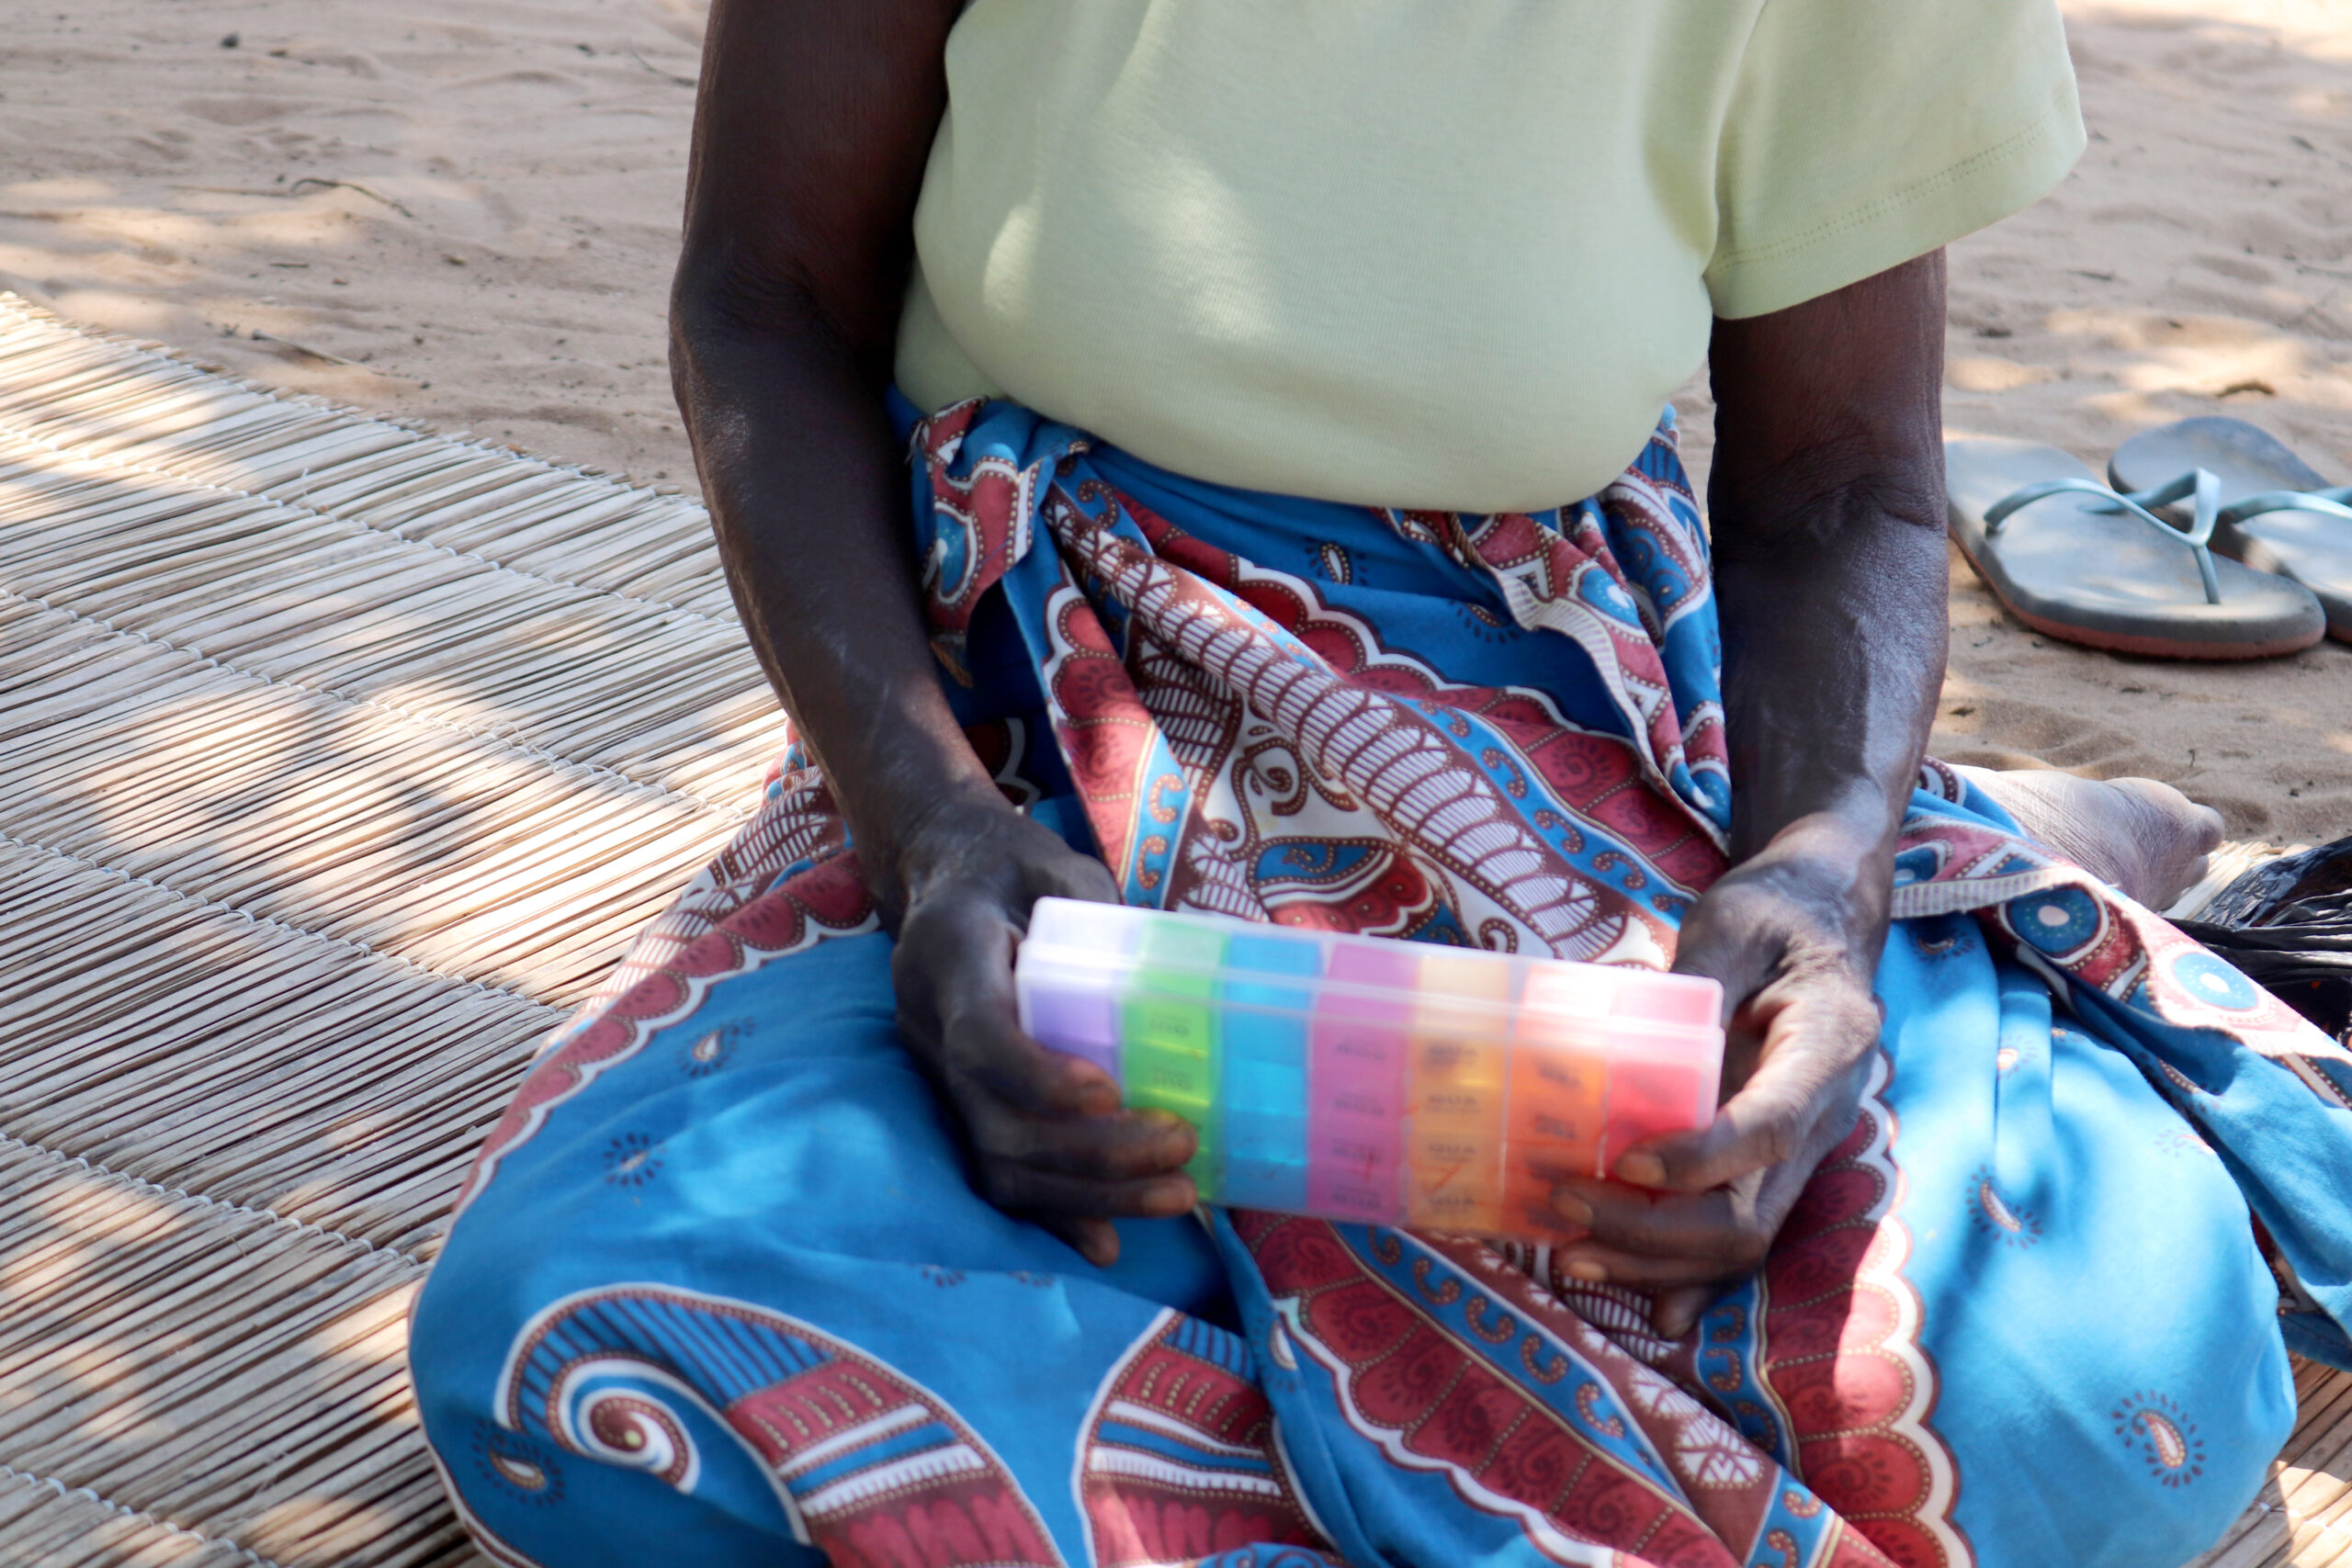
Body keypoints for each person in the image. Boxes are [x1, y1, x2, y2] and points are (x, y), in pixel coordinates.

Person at [408, 5, 2352, 1566]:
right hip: (1013, 706)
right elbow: (768, 300)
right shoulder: (965, 793)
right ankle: (2007, 852)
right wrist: (925, 835)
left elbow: (1841, 483)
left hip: (1554, 699)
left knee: (2087, 1399)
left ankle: (1962, 850)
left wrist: (1822, 869)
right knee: (591, 1349)